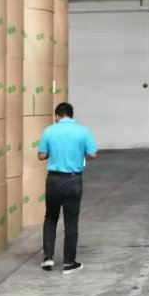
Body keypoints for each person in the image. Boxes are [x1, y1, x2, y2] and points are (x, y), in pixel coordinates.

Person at [38, 102, 97, 274]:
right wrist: (80, 154)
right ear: (71, 115)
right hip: (73, 180)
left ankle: (48, 258)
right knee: (71, 221)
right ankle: (69, 263)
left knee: (50, 218)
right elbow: (92, 154)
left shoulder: (49, 131)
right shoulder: (83, 131)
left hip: (54, 180)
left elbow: (41, 155)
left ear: (57, 116)